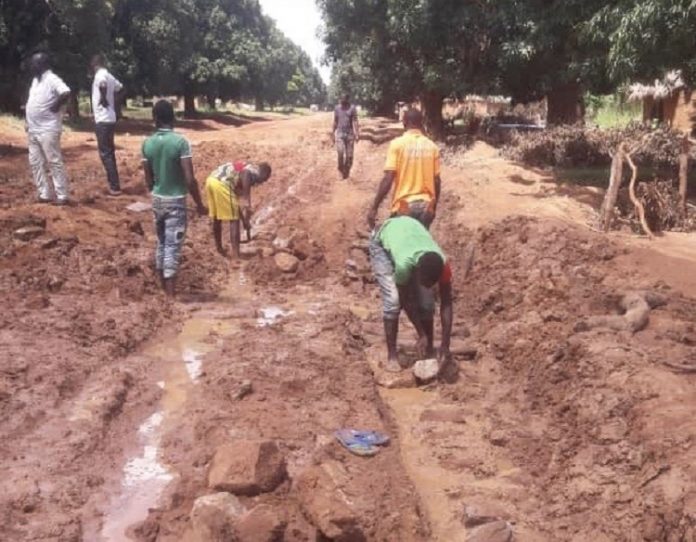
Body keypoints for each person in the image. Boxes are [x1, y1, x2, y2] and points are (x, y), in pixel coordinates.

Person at [369, 215, 453, 373]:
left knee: (427, 303)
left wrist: (445, 345)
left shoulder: (443, 264)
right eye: (425, 283)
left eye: (431, 284)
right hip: (383, 239)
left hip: (411, 230)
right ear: (417, 271)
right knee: (393, 301)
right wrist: (420, 332)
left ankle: (428, 350)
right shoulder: (404, 263)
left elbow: (447, 303)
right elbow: (405, 299)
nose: (428, 287)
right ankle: (392, 356)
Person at [141, 100, 206, 296]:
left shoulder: (147, 144)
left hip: (157, 199)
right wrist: (200, 204)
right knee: (172, 247)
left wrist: (157, 191)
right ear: (173, 117)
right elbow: (190, 179)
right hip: (176, 201)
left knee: (161, 243)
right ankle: (171, 296)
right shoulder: (180, 142)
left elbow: (148, 179)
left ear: (155, 119)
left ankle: (163, 290)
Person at [367, 108, 441, 229]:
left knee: (397, 245)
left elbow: (388, 177)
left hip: (404, 206)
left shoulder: (397, 144)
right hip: (427, 206)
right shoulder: (432, 147)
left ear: (404, 123)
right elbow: (437, 180)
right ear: (421, 123)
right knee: (420, 243)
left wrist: (374, 207)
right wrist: (433, 206)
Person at [25, 52, 71, 205]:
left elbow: (65, 92)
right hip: (33, 129)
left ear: (41, 64)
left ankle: (62, 195)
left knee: (53, 161)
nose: (32, 66)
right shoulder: (35, 81)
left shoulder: (51, 78)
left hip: (48, 129)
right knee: (35, 162)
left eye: (34, 63)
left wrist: (56, 106)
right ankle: (44, 193)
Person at [205, 161, 272, 258]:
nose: (262, 182)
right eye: (264, 179)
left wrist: (245, 221)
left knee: (217, 218)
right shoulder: (253, 172)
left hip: (211, 181)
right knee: (234, 221)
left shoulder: (241, 173)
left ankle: (219, 248)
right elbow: (246, 174)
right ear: (263, 174)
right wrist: (247, 200)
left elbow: (234, 205)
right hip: (222, 184)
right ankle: (236, 256)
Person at [91, 54, 124, 196]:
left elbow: (102, 84)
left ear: (95, 64)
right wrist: (115, 104)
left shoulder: (100, 75)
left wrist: (104, 98)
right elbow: (121, 88)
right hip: (110, 117)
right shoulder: (110, 76)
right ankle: (114, 183)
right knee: (109, 152)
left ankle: (115, 186)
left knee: (105, 153)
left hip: (103, 119)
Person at [333, 93, 359, 179]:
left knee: (349, 155)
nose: (342, 102)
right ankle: (340, 170)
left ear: (348, 100)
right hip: (340, 133)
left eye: (344, 100)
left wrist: (357, 133)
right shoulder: (337, 108)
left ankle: (346, 169)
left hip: (350, 134)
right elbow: (335, 121)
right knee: (340, 152)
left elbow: (355, 120)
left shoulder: (352, 108)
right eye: (341, 100)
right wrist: (333, 132)